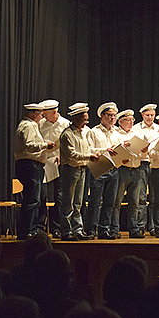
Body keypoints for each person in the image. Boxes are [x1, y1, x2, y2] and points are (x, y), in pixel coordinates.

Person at [13, 102, 55, 240]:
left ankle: (29, 230)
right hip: (30, 165)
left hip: (30, 165)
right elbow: (29, 146)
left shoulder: (28, 125)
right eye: (41, 114)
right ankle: (27, 231)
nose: (42, 117)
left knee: (34, 199)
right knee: (32, 200)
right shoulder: (29, 126)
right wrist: (46, 145)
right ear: (35, 114)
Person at [58, 103, 98, 241]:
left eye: (87, 119)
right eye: (83, 119)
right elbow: (71, 155)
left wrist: (101, 152)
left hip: (82, 170)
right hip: (70, 169)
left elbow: (89, 150)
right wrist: (89, 157)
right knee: (68, 201)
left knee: (78, 202)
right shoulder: (67, 134)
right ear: (75, 118)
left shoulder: (84, 132)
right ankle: (66, 230)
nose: (86, 122)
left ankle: (78, 229)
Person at [86, 102, 122, 239]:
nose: (112, 118)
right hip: (99, 168)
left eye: (114, 116)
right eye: (109, 115)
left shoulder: (117, 133)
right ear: (102, 116)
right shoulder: (93, 132)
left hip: (113, 169)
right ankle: (91, 229)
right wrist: (104, 150)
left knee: (109, 202)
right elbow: (88, 150)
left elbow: (120, 150)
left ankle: (104, 230)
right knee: (95, 202)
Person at [38, 99, 69, 239]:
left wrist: (61, 156)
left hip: (59, 164)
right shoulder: (40, 124)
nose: (43, 115)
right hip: (43, 163)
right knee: (41, 196)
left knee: (59, 196)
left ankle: (57, 227)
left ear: (54, 112)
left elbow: (68, 145)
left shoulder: (65, 124)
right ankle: (40, 227)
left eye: (46, 113)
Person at [115, 109, 149, 238]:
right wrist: (122, 146)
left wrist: (145, 150)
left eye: (132, 120)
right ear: (121, 121)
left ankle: (134, 229)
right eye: (128, 120)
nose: (131, 123)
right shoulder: (116, 133)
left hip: (136, 169)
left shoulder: (138, 133)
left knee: (135, 203)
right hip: (122, 170)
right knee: (117, 202)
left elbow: (144, 153)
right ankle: (114, 229)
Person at [137, 103, 158, 234]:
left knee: (155, 197)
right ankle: (141, 226)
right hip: (142, 163)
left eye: (152, 115)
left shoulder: (158, 128)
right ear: (142, 115)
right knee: (141, 197)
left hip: (156, 164)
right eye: (147, 115)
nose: (150, 118)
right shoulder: (136, 129)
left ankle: (154, 226)